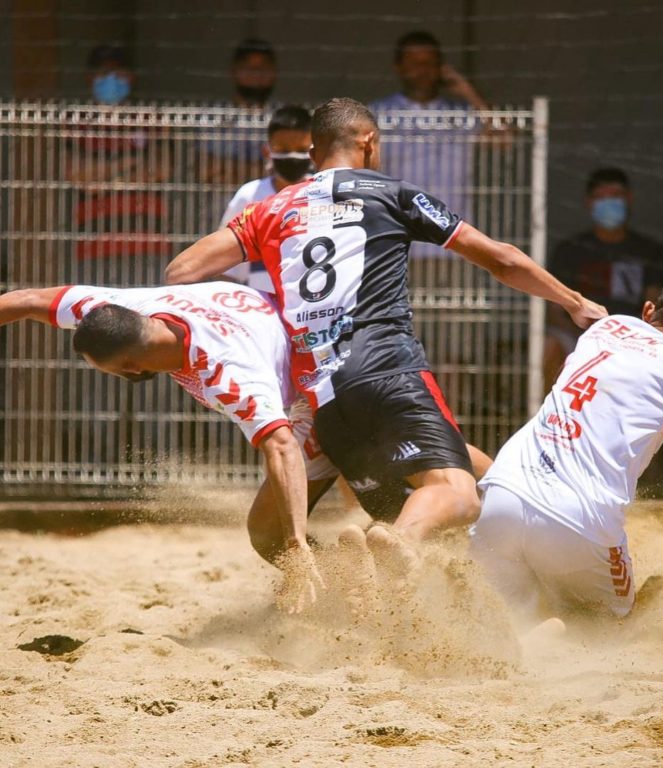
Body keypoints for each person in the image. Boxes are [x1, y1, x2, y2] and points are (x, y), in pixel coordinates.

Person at [165, 97, 606, 563]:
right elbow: (502, 259)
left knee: (273, 533)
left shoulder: (269, 209)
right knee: (459, 492)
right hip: (387, 369)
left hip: (321, 399)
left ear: (312, 153)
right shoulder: (391, 193)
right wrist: (575, 303)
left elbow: (180, 272)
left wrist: (254, 319)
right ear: (368, 142)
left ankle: (346, 586)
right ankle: (405, 543)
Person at [0, 282, 329, 613]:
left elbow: (282, 445)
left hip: (323, 392)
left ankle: (343, 581)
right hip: (318, 337)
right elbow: (26, 301)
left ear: (129, 366)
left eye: (109, 371)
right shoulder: (122, 305)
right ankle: (352, 555)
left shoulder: (223, 371)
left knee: (267, 533)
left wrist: (296, 541)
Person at [471, 273, 663, 627]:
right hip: (577, 520)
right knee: (610, 629)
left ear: (648, 310)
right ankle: (562, 635)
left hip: (502, 498)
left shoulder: (606, 327)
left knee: (508, 620)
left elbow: (617, 388)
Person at [544, 167, 663, 390]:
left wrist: (627, 340)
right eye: (601, 197)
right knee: (549, 346)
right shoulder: (569, 250)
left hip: (636, 339)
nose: (609, 203)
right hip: (580, 336)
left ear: (629, 199)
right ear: (589, 203)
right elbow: (555, 311)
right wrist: (587, 338)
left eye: (615, 196)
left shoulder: (651, 251)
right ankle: (551, 420)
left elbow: (655, 310)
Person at [369, 31, 488, 267]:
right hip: (399, 241)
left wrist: (467, 91)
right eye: (414, 64)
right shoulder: (378, 114)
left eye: (430, 64)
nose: (422, 71)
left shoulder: (460, 115)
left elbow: (505, 139)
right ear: (398, 67)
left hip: (455, 240)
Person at [65, 44, 171, 280]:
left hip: (147, 238)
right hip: (94, 238)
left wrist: (101, 180)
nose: (112, 79)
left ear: (131, 78)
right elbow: (77, 175)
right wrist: (131, 162)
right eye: (104, 73)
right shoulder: (78, 122)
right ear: (90, 78)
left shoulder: (147, 118)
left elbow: (160, 169)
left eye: (118, 72)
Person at [219, 105, 313, 293]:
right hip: (261, 304)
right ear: (267, 150)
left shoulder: (323, 194)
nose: (292, 156)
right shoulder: (250, 196)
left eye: (301, 149)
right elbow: (225, 262)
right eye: (283, 149)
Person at [200, 39, 279, 186]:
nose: (256, 74)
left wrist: (227, 169)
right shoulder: (214, 117)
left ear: (274, 72)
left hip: (270, 205)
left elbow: (288, 173)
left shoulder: (283, 117)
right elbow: (204, 170)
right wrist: (261, 171)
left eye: (263, 67)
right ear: (234, 71)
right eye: (249, 67)